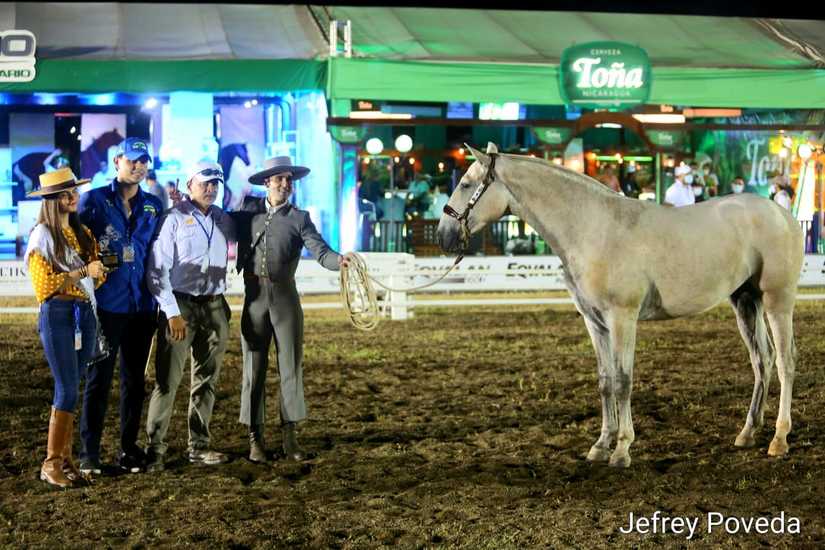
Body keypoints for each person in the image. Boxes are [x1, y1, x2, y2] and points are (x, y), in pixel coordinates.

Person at [232, 156, 354, 463]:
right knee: (253, 371)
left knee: (291, 369)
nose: (285, 184)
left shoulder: (300, 218)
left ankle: (290, 439)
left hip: (285, 298)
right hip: (254, 298)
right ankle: (255, 440)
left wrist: (338, 260)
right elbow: (217, 226)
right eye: (279, 179)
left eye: (288, 179)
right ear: (266, 183)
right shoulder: (247, 212)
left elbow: (320, 251)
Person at [77, 138, 164, 476]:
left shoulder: (154, 206)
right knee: (99, 378)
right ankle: (89, 453)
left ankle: (128, 450)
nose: (139, 166)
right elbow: (77, 245)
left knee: (133, 381)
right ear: (117, 161)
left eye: (144, 161)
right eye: (133, 160)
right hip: (106, 306)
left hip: (141, 307)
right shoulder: (94, 201)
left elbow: (158, 254)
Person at [144, 162, 235, 472]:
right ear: (191, 184)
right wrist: (171, 313)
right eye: (205, 183)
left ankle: (199, 446)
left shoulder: (222, 219)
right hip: (181, 306)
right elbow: (157, 271)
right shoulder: (174, 218)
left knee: (206, 381)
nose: (211, 189)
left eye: (215, 184)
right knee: (168, 382)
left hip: (214, 306)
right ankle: (154, 449)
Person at [24, 168, 108, 487]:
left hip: (81, 312)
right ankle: (52, 462)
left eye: (73, 192)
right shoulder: (41, 236)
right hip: (59, 312)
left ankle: (65, 460)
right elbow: (43, 285)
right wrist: (84, 271)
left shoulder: (81, 232)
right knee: (68, 388)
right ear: (51, 200)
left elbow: (96, 275)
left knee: (74, 387)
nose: (73, 197)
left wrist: (96, 272)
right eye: (65, 194)